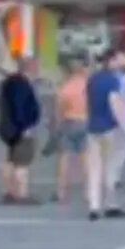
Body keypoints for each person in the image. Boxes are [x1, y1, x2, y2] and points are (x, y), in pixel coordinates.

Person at [84, 49, 125, 221]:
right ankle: (111, 204)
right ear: (111, 61)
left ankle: (93, 206)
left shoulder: (92, 79)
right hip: (109, 128)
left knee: (94, 168)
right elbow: (114, 102)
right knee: (110, 168)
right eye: (117, 60)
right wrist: (123, 126)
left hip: (92, 127)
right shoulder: (113, 80)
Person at [0, 58, 42, 205]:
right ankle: (22, 194)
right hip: (20, 128)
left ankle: (7, 191)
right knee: (22, 162)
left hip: (7, 128)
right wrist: (25, 127)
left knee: (10, 160)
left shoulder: (9, 83)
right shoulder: (22, 85)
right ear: (29, 68)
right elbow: (21, 107)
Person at [50, 59, 89, 203]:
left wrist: (56, 126)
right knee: (85, 159)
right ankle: (89, 192)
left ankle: (61, 192)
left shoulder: (65, 88)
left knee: (64, 159)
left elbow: (58, 110)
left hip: (69, 121)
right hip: (85, 121)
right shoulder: (87, 86)